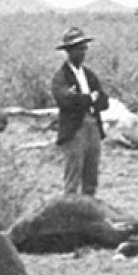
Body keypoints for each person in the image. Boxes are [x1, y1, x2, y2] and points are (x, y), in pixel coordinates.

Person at [50, 27, 109, 196]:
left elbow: (104, 102)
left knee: (91, 177)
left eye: (84, 48)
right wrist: (90, 98)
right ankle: (71, 216)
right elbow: (65, 100)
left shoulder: (89, 75)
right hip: (74, 130)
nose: (83, 52)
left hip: (93, 127)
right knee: (73, 178)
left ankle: (88, 216)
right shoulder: (61, 77)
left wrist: (84, 98)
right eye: (78, 48)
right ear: (68, 51)